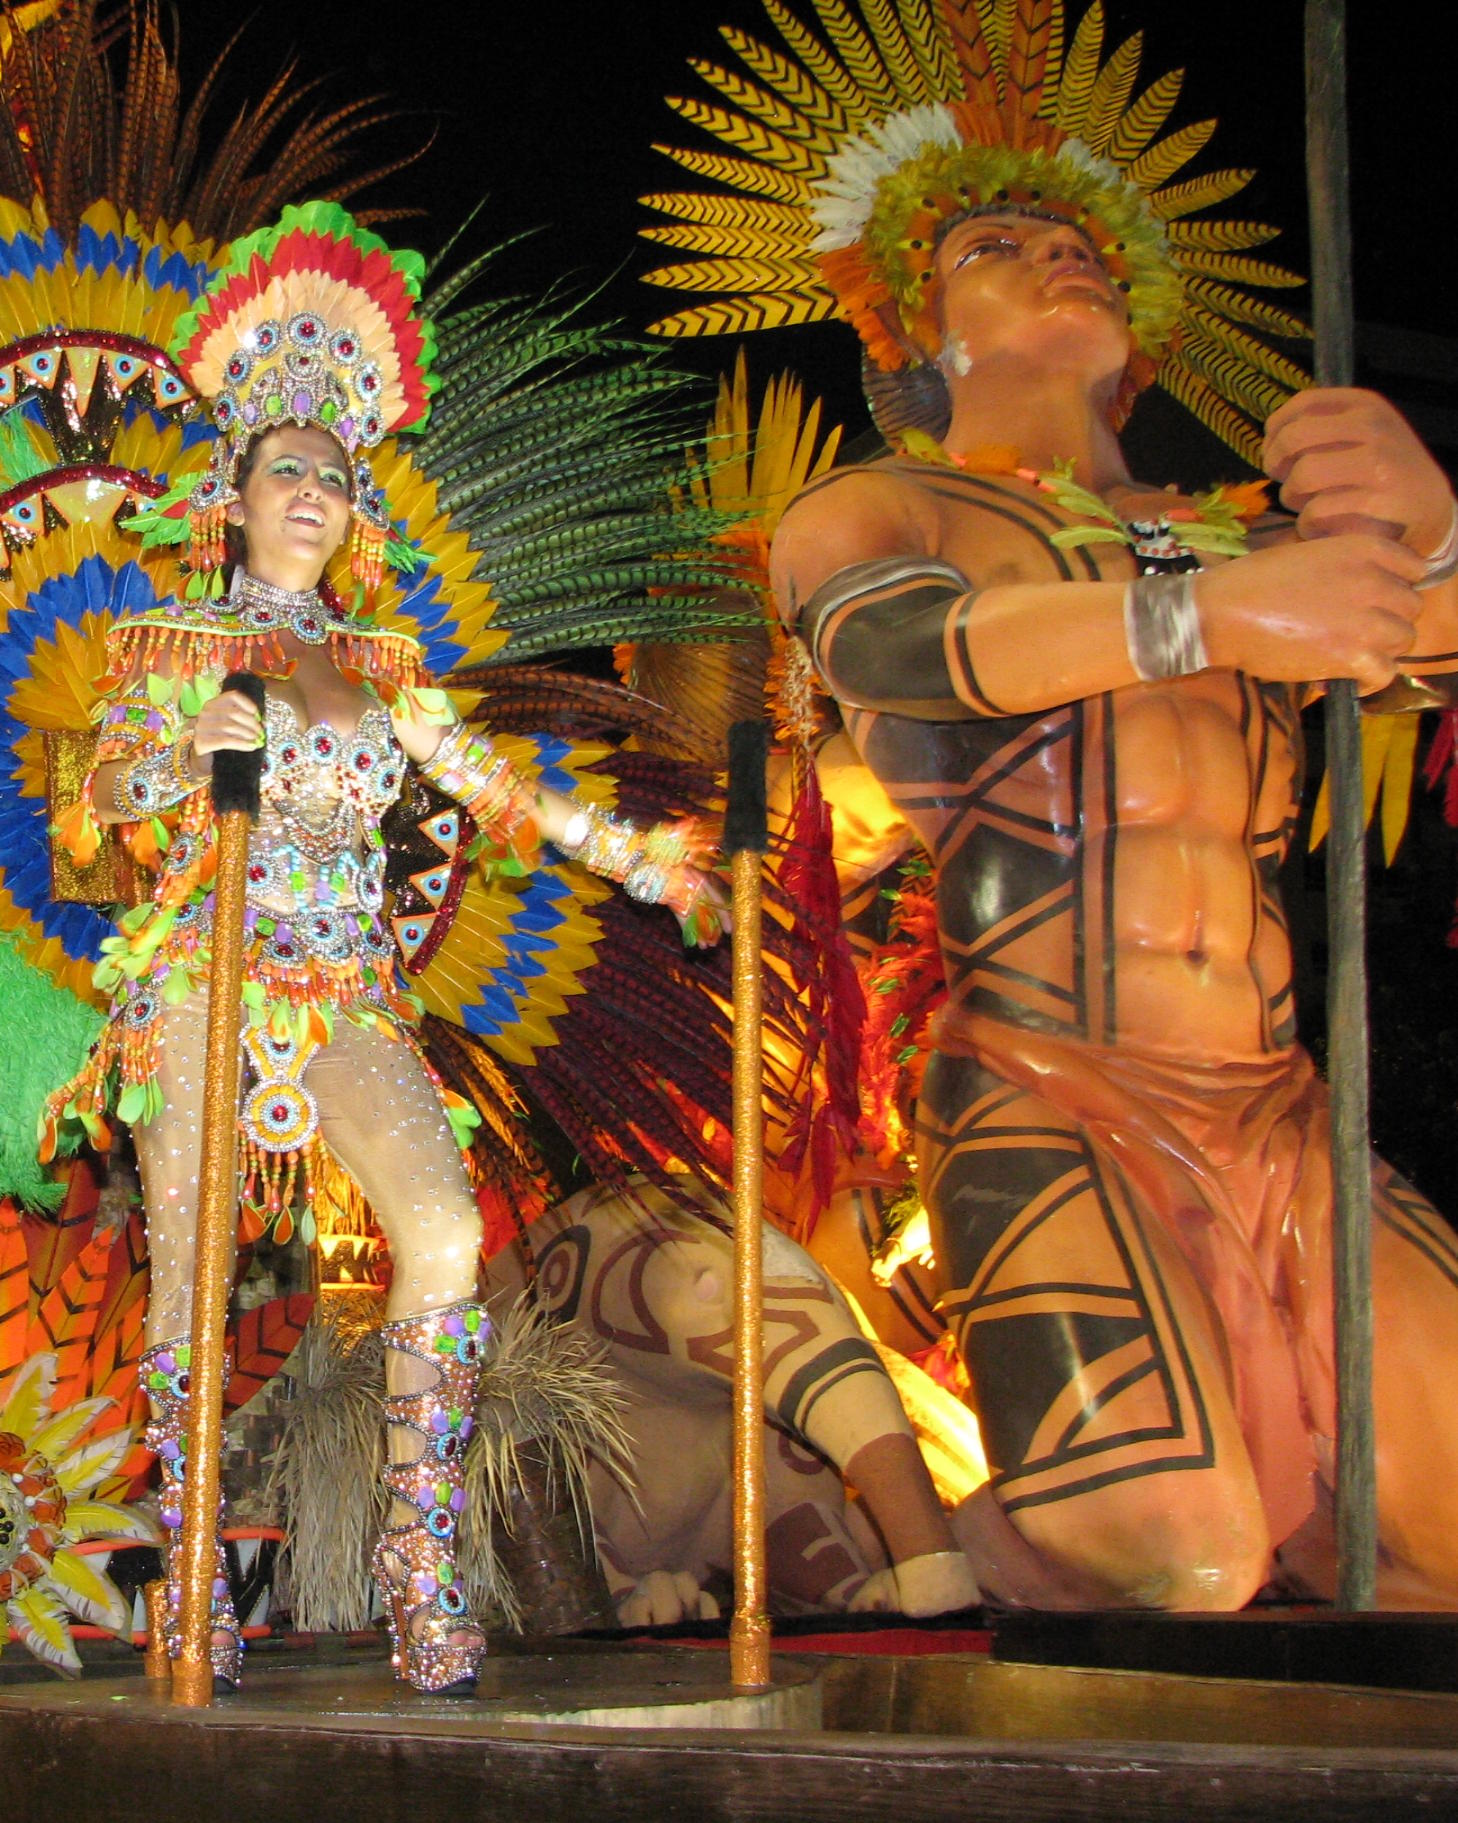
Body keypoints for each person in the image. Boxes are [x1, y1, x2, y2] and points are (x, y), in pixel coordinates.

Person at [648, 0, 1458, 1607]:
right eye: (998, 243)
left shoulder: (1237, 530)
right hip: (1047, 1082)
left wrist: (1433, 547)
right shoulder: (876, 504)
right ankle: (974, 1552)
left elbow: (1415, 653)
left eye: (1079, 239)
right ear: (919, 327)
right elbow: (904, 648)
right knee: (1189, 1554)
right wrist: (1213, 619)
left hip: (1284, 1111)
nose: (1057, 253)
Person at [40, 205, 725, 1689]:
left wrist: (644, 864)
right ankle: (193, 1570)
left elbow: (493, 785)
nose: (315, 496)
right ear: (232, 489)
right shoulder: (166, 650)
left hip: (345, 994)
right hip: (196, 988)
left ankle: (419, 1569)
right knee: (190, 1281)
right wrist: (171, 763)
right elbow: (88, 821)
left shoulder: (378, 669)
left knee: (447, 1233)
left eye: (337, 481)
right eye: (289, 469)